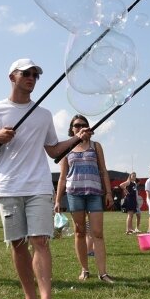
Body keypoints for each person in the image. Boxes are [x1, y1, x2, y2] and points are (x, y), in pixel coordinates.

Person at [0, 58, 91, 299]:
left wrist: (77, 137)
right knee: (17, 244)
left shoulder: (43, 114)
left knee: (40, 241)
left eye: (35, 75)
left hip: (39, 185)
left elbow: (53, 151)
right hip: (8, 187)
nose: (31, 78)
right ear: (11, 77)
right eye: (26, 74)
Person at [54, 114, 115, 284]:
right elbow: (62, 177)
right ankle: (84, 270)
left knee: (97, 233)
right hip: (74, 193)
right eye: (76, 125)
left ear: (89, 128)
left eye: (83, 124)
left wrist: (108, 193)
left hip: (94, 193)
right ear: (71, 129)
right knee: (80, 233)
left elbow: (103, 170)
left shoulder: (96, 146)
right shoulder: (67, 149)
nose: (80, 127)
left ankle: (103, 273)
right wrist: (58, 200)